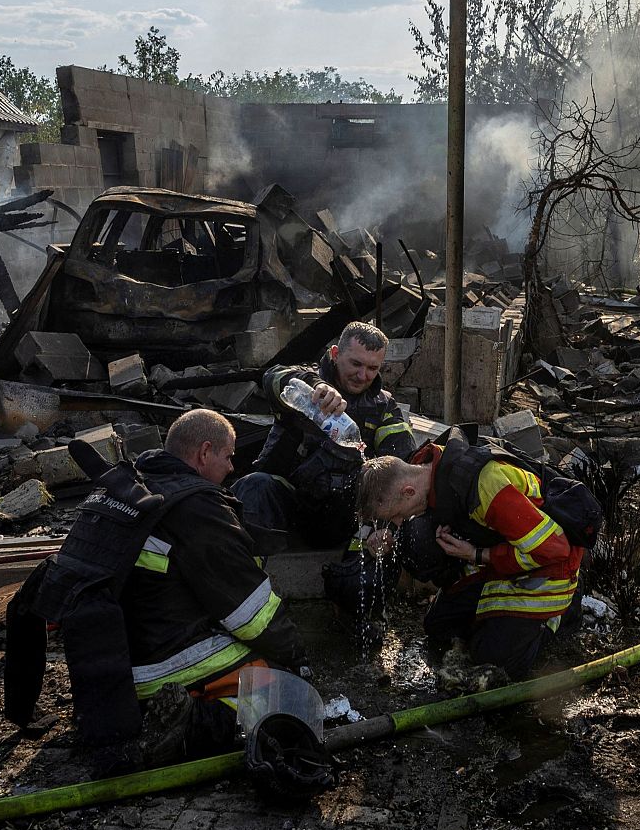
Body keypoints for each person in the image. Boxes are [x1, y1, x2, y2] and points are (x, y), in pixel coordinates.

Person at [123, 409, 307, 767]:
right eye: (228, 456)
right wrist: (297, 657)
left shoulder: (131, 486)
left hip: (109, 665)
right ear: (204, 453)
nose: (232, 468)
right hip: (153, 670)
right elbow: (254, 617)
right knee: (279, 689)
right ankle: (190, 725)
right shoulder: (198, 508)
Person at [232, 322, 415, 636]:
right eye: (355, 364)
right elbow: (271, 378)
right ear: (335, 354)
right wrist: (314, 384)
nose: (362, 375)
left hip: (344, 517)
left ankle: (355, 615)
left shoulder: (385, 408)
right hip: (292, 505)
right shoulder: (306, 384)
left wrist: (381, 527)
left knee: (380, 536)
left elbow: (400, 466)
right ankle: (241, 600)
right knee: (254, 486)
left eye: (372, 368)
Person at [357, 434, 583, 680]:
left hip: (550, 568)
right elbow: (400, 503)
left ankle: (558, 616)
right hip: (503, 557)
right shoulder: (425, 466)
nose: (398, 524)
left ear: (408, 491)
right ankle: (498, 619)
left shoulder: (486, 486)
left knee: (496, 664)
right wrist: (387, 533)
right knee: (439, 628)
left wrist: (477, 554)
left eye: (396, 517)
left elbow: (554, 549)